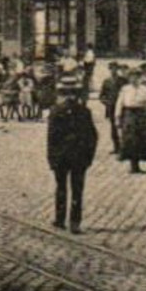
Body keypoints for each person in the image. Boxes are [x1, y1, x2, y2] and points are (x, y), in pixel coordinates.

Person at [46, 86, 98, 233]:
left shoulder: (56, 111)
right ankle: (75, 223)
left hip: (61, 158)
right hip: (79, 158)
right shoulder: (85, 111)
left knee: (61, 188)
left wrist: (51, 159)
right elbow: (93, 137)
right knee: (77, 190)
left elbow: (51, 138)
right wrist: (89, 157)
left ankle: (60, 219)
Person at [115, 68, 146, 173]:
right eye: (132, 77)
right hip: (129, 114)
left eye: (137, 77)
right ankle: (132, 164)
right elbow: (119, 103)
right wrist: (117, 117)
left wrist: (145, 103)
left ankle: (137, 164)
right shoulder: (125, 89)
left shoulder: (145, 89)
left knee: (140, 139)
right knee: (130, 139)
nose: (134, 79)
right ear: (129, 78)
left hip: (141, 114)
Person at [99, 65, 124, 154]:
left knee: (124, 127)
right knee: (113, 128)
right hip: (111, 107)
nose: (114, 70)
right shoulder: (106, 81)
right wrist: (106, 102)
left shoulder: (123, 80)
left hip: (122, 107)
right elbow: (102, 95)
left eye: (115, 69)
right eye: (112, 69)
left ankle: (124, 147)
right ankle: (116, 147)